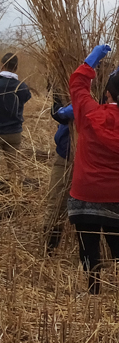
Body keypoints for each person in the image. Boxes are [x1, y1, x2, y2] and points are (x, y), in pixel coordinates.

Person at [66, 44, 119, 293]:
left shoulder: (89, 114)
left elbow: (77, 85)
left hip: (84, 195)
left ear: (107, 94)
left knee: (88, 247)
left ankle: (93, 290)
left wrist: (90, 63)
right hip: (115, 197)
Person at [43, 98, 73, 255]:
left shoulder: (110, 81)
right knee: (56, 203)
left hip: (95, 157)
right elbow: (58, 113)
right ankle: (49, 248)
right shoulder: (70, 82)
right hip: (66, 154)